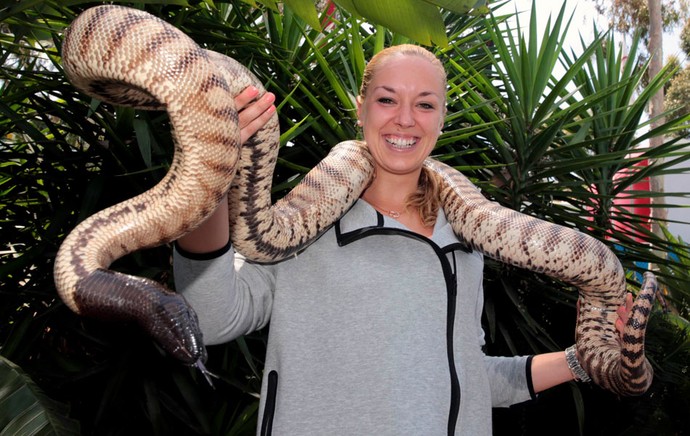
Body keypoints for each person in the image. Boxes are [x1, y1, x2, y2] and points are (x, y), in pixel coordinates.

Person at [173, 44, 633, 435]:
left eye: (425, 104)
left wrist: (582, 359)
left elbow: (467, 377)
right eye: (388, 100)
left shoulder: (464, 245)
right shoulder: (306, 222)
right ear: (361, 107)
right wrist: (212, 168)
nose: (406, 120)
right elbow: (211, 319)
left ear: (442, 118)